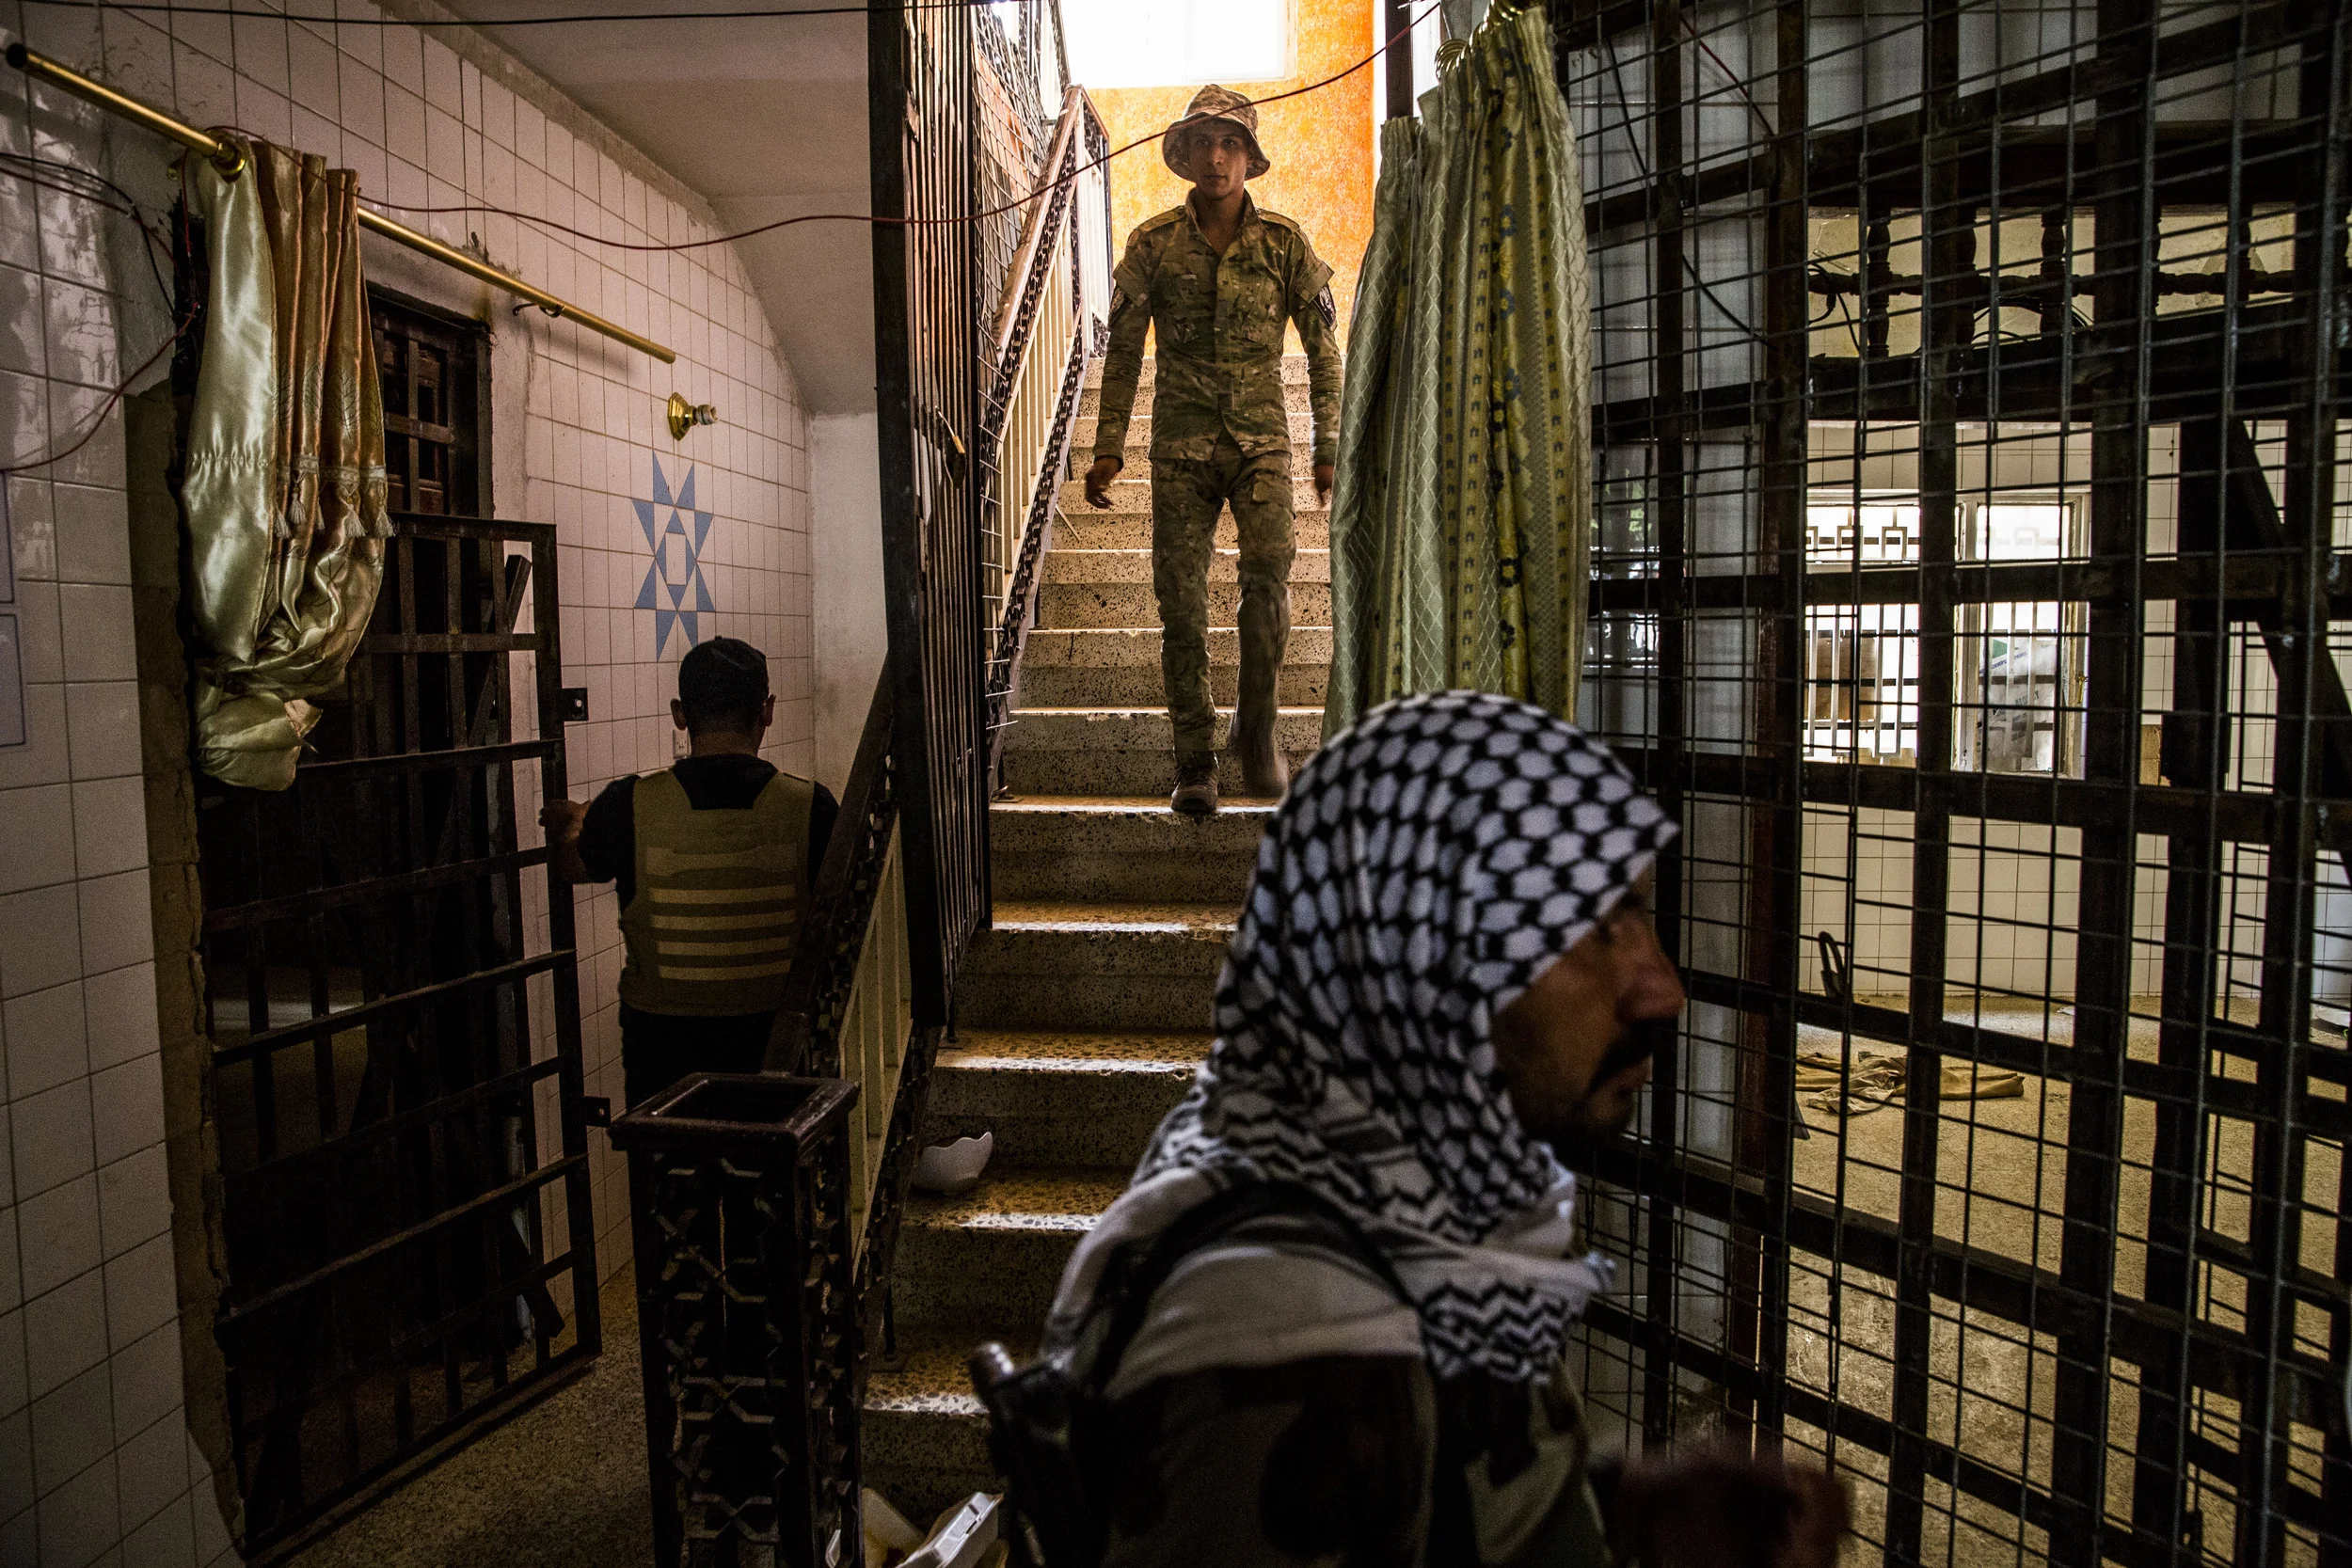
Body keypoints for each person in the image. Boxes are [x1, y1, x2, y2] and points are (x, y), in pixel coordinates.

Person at [1038, 691, 1848, 1567]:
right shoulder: (1288, 1360)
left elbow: (1430, 1506)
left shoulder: (1336, 1161)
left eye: (1639, 914)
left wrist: (1626, 1514)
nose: (1661, 989)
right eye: (1588, 927)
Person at [1084, 84, 1344, 818]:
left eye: (1230, 142)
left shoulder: (1285, 244)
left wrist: (1329, 445)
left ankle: (1255, 732)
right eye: (1203, 142)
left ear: (1249, 156)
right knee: (1182, 607)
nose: (1217, 156)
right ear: (1187, 154)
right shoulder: (1154, 244)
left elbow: (1325, 354)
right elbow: (1125, 351)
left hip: (1263, 446)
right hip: (1181, 451)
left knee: (1268, 585)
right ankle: (1195, 764)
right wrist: (1109, 446)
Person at [539, 637, 837, 1108]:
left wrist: (578, 821)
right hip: (776, 1057)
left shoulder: (629, 806)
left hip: (664, 1067)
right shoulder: (811, 807)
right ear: (767, 710)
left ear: (680, 713)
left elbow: (570, 864)